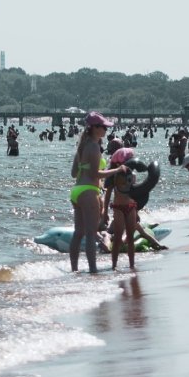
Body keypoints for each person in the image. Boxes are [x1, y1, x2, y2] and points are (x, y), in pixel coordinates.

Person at [69, 111, 122, 274]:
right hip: (89, 191)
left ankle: (74, 270)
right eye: (104, 127)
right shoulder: (94, 146)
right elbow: (95, 174)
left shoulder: (82, 146)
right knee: (91, 234)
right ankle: (93, 270)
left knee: (78, 233)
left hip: (76, 191)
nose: (106, 130)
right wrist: (116, 170)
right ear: (95, 128)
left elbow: (73, 173)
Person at [103, 149, 141, 270]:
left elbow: (134, 194)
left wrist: (137, 211)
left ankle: (132, 265)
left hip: (131, 207)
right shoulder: (114, 175)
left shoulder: (132, 175)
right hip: (118, 208)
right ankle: (114, 265)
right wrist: (105, 212)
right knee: (118, 237)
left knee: (130, 237)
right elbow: (108, 195)